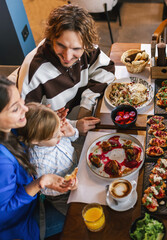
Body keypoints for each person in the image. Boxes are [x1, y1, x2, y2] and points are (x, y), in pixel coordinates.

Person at [11, 4, 116, 134]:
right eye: (61, 45)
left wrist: (86, 104)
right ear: (51, 38)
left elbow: (106, 69)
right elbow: (25, 124)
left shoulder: (87, 48)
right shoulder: (34, 70)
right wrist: (73, 126)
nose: (67, 56)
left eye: (76, 49)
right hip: (51, 134)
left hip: (76, 115)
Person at [0, 76, 77, 239]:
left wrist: (47, 123)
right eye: (15, 109)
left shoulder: (12, 128)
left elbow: (32, 132)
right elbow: (4, 214)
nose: (25, 109)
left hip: (35, 201)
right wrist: (39, 183)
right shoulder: (2, 163)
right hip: (22, 223)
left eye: (21, 100)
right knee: (80, 217)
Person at [17, 102, 78, 227]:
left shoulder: (54, 133)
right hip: (62, 195)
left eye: (59, 129)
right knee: (76, 217)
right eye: (56, 135)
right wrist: (66, 186)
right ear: (36, 141)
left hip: (78, 167)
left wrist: (73, 133)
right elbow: (46, 189)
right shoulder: (40, 162)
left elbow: (70, 139)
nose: (61, 134)